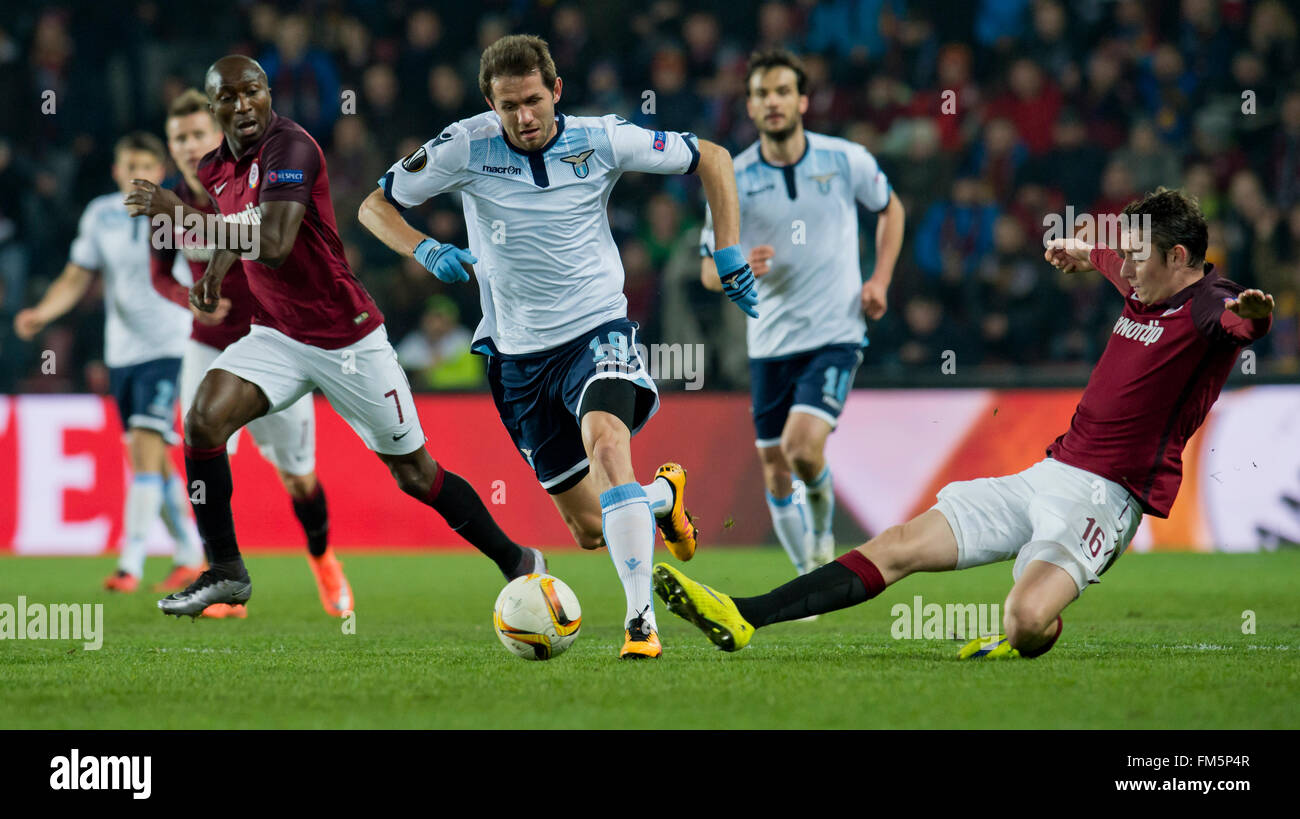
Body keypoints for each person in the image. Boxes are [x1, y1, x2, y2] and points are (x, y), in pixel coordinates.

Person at [655, 188, 1274, 659]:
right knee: (897, 546)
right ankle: (743, 615)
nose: (1130, 271)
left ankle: (1031, 622)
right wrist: (1081, 253)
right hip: (1048, 471)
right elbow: (1111, 259)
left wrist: (1254, 318)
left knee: (1025, 622)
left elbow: (1240, 323)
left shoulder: (1208, 307)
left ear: (1180, 257)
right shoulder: (1143, 281)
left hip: (1105, 499)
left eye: (1142, 258)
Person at [358, 34, 758, 659]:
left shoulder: (600, 140)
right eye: (508, 105)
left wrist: (726, 248)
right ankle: (662, 498)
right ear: (489, 103)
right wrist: (423, 246)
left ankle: (640, 624)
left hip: (598, 330)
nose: (523, 118)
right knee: (590, 528)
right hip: (517, 358)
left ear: (557, 92)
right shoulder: (464, 144)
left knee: (607, 444)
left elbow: (713, 157)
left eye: (533, 101)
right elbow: (374, 206)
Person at [124, 55, 542, 617]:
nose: (243, 105)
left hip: (346, 338)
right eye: (229, 97)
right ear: (214, 106)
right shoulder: (215, 166)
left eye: (253, 92)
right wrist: (216, 274)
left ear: (268, 94)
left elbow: (272, 240)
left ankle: (518, 560)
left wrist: (177, 213)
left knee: (415, 475)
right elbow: (240, 225)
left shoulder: (291, 148)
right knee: (202, 419)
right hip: (276, 334)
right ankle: (225, 570)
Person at [699, 49, 904, 577]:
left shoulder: (843, 160)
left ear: (803, 100)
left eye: (783, 91)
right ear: (749, 105)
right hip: (768, 341)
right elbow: (706, 268)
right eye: (763, 93)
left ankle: (821, 539)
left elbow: (890, 208)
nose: (773, 101)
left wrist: (879, 279)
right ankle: (806, 573)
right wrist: (734, 263)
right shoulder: (733, 177)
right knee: (775, 471)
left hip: (835, 333)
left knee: (800, 449)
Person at [150, 88, 350, 618]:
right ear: (171, 147)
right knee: (202, 453)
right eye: (179, 137)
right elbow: (159, 276)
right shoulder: (170, 204)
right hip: (207, 348)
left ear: (216, 134)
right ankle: (222, 571)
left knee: (298, 478)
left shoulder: (247, 182)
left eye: (197, 133)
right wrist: (188, 301)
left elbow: (282, 241)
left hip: (274, 341)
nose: (189, 144)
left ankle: (324, 558)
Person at [14, 132, 198, 593]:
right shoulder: (100, 214)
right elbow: (78, 276)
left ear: (161, 173)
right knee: (148, 455)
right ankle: (191, 552)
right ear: (116, 171)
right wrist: (45, 312)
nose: (137, 172)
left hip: (170, 344)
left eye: (147, 165)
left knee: (146, 441)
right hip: (122, 353)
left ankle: (130, 562)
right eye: (128, 164)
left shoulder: (177, 212)